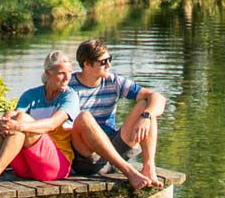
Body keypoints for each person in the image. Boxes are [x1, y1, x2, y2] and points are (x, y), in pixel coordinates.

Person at [0, 51, 79, 192]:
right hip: (25, 168)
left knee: (20, 120)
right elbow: (12, 120)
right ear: (48, 73)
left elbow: (52, 124)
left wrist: (18, 125)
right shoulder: (31, 95)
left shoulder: (70, 96)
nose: (67, 78)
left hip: (55, 166)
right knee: (10, 115)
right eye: (61, 73)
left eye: (70, 73)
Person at [69, 39, 166, 189]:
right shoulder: (68, 86)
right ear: (87, 64)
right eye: (103, 62)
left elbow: (158, 98)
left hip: (115, 152)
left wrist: (146, 116)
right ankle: (129, 171)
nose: (109, 65)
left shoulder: (114, 82)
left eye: (110, 60)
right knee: (84, 117)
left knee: (146, 104)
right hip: (88, 159)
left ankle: (149, 167)